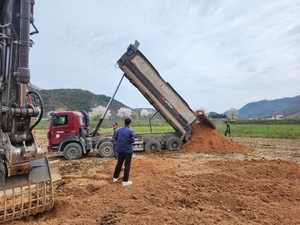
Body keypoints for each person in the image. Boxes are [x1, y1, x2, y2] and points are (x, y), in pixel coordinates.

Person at [113, 118, 135, 186]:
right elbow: (133, 140)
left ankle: (115, 178)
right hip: (128, 150)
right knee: (127, 165)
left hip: (120, 150)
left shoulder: (119, 130)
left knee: (119, 163)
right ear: (130, 123)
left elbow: (115, 138)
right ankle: (125, 181)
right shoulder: (130, 131)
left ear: (124, 122)